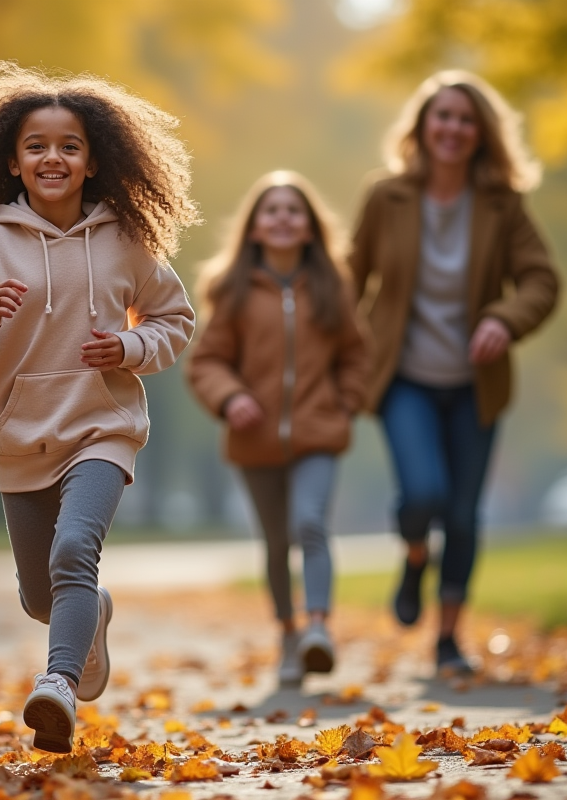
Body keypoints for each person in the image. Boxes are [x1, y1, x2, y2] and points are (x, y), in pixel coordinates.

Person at [0, 59, 199, 753]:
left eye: (69, 146)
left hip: (102, 429)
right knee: (43, 598)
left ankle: (57, 688)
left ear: (93, 160)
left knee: (76, 550)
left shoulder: (125, 242)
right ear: (12, 162)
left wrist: (130, 350)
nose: (53, 157)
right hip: (20, 440)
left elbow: (175, 320)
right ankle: (89, 617)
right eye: (37, 146)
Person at [348, 70, 560, 676]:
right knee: (423, 495)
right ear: (422, 126)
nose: (453, 128)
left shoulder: (502, 205)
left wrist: (505, 319)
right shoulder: (385, 196)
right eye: (442, 116)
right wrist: (338, 347)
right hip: (404, 378)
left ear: (481, 134)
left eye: (466, 120)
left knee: (464, 514)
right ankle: (416, 556)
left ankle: (447, 639)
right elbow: (349, 277)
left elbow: (542, 280)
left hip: (475, 383)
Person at [185, 171, 367, 688]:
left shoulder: (333, 287)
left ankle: (318, 629)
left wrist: (346, 404)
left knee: (311, 524)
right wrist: (231, 397)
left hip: (317, 434)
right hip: (254, 439)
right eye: (272, 211)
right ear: (255, 228)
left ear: (310, 228)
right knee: (274, 542)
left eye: (294, 211)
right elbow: (207, 363)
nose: (283, 218)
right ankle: (288, 636)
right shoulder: (235, 290)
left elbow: (357, 356)